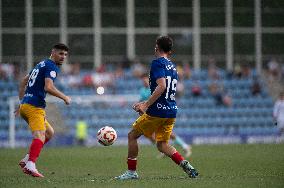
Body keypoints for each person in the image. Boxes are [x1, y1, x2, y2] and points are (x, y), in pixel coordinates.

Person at [115, 36, 198, 180]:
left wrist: (145, 104)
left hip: (158, 110)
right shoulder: (172, 66)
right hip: (171, 110)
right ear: (170, 51)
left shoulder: (157, 63)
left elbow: (162, 86)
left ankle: (131, 172)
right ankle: (186, 165)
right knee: (162, 145)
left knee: (132, 136)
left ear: (156, 47)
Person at [15, 43, 71, 178]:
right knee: (39, 136)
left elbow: (24, 81)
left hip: (27, 105)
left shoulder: (41, 64)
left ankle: (27, 158)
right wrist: (64, 97)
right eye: (60, 54)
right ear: (53, 52)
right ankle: (30, 165)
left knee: (49, 133)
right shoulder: (51, 66)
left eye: (65, 55)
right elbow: (48, 87)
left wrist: (22, 102)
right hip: (34, 107)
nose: (63, 57)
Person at [139, 74, 192, 158]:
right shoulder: (142, 90)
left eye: (145, 80)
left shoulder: (154, 88)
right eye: (143, 80)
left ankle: (182, 146)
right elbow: (141, 101)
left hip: (159, 113)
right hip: (150, 114)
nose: (144, 82)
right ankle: (177, 147)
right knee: (151, 134)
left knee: (164, 133)